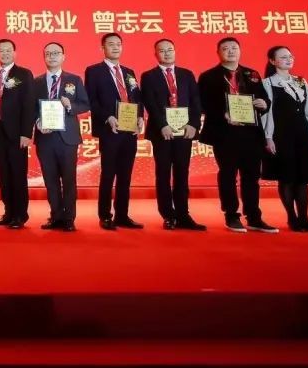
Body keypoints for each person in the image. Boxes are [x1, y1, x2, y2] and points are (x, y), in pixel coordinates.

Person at [197, 37, 278, 233]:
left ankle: (254, 217)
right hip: (224, 134)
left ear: (240, 51)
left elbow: (264, 99)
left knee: (251, 176)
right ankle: (231, 215)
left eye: (234, 48)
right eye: (225, 48)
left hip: (250, 133)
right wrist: (222, 114)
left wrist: (264, 104)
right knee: (228, 174)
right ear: (218, 53)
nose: (230, 51)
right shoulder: (208, 76)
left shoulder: (252, 74)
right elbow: (203, 103)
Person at [140, 39, 205, 231]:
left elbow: (196, 100)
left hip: (184, 131)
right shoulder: (148, 76)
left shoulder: (186, 74)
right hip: (162, 132)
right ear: (156, 54)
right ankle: (168, 215)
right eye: (162, 51)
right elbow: (150, 102)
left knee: (182, 173)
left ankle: (183, 214)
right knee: (163, 174)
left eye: (170, 50)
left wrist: (194, 124)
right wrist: (162, 125)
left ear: (175, 51)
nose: (167, 53)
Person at [259, 46, 308, 232]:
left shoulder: (301, 82)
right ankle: (292, 218)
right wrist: (268, 137)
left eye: (290, 56)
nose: (288, 59)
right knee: (286, 177)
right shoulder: (268, 83)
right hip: (281, 135)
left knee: (302, 177)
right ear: (272, 61)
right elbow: (267, 113)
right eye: (283, 57)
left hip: (302, 134)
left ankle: (305, 219)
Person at [84, 33, 144, 230]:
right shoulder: (94, 71)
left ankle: (122, 215)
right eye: (111, 44)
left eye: (118, 44)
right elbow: (92, 100)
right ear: (102, 48)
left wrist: (140, 117)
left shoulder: (129, 72)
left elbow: (137, 98)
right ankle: (105, 215)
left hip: (129, 130)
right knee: (108, 174)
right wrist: (108, 116)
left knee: (125, 176)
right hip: (110, 130)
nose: (116, 47)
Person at [33, 42, 89, 231]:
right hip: (45, 137)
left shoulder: (74, 79)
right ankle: (55, 216)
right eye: (48, 53)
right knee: (50, 180)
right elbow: (31, 108)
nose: (52, 56)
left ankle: (69, 218)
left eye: (56, 53)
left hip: (67, 138)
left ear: (63, 56)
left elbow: (85, 104)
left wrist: (70, 106)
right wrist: (38, 122)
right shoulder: (36, 82)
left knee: (69, 180)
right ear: (44, 57)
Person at [0, 39, 36, 229]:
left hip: (17, 134)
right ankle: (8, 212)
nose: (5, 53)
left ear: (15, 53)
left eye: (8, 50)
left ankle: (20, 215)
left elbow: (29, 105)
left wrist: (26, 133)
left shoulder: (24, 74)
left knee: (17, 174)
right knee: (4, 174)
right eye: (1, 50)